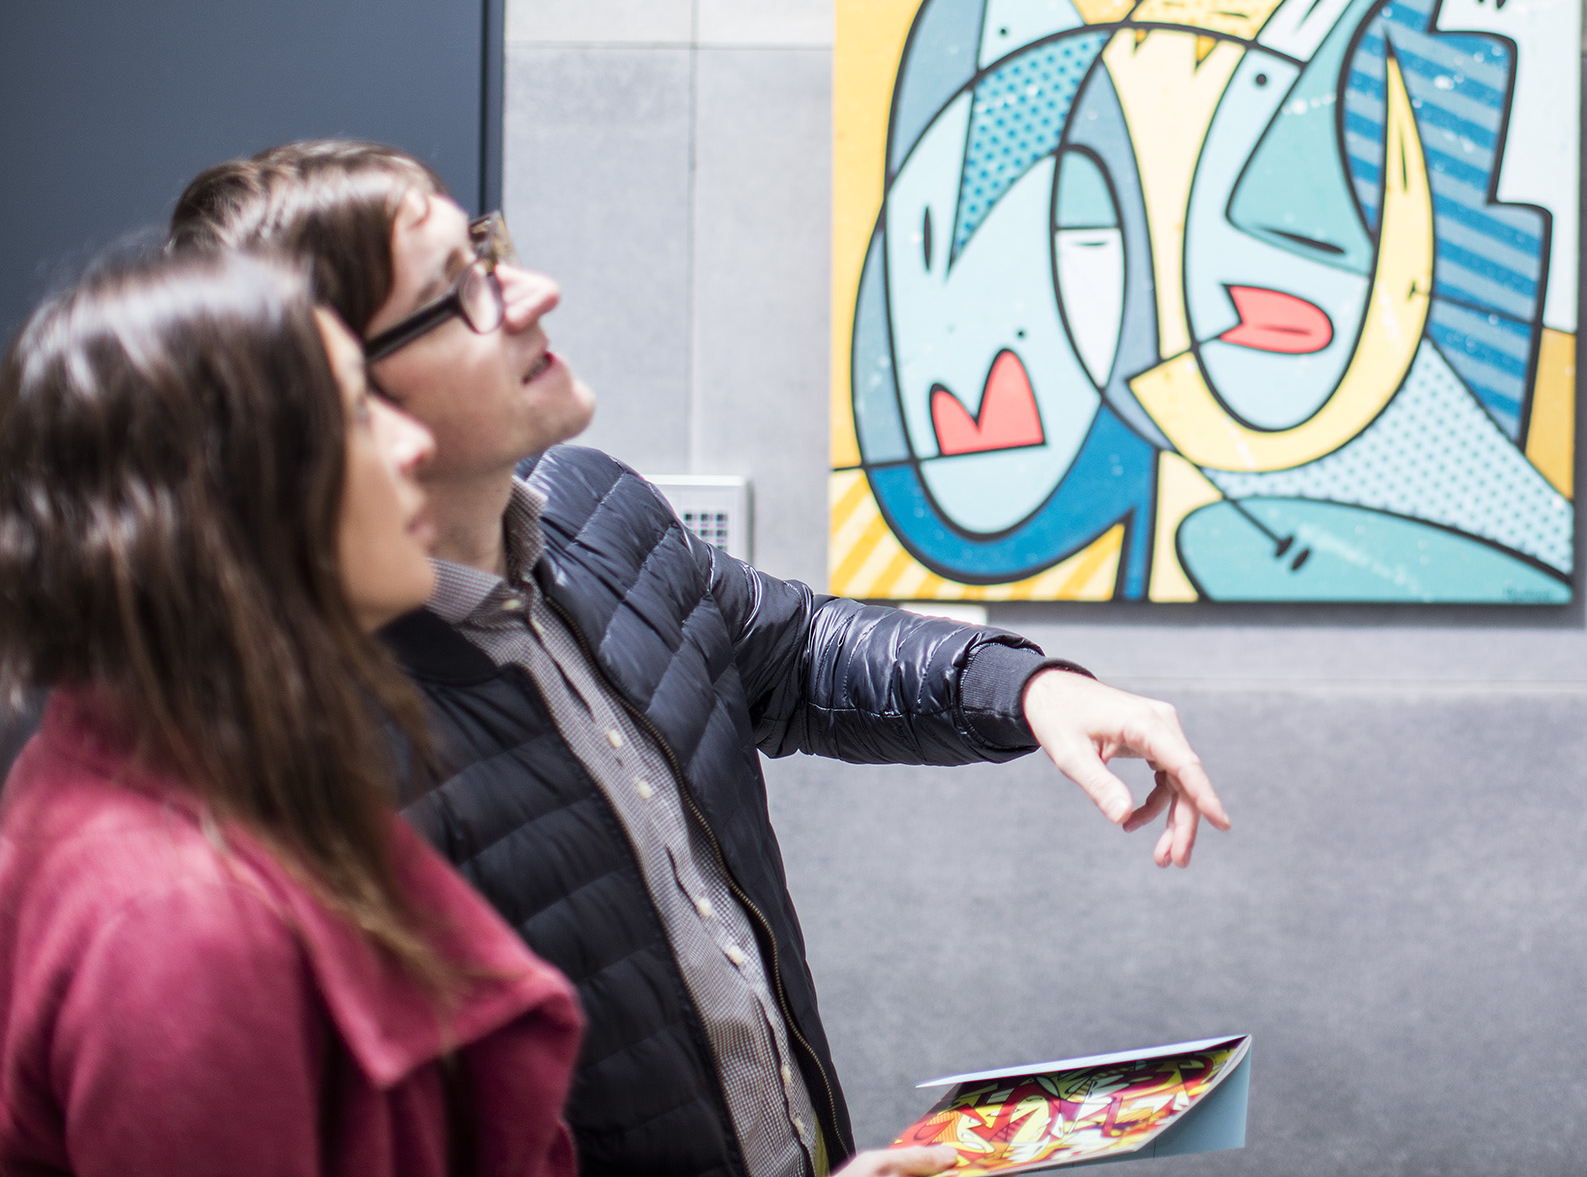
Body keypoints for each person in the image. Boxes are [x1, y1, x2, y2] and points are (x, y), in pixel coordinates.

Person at [169, 142, 1232, 1177]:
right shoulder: (313, 754)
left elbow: (797, 652)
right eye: (459, 291)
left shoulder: (595, 505)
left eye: (485, 250)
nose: (535, 291)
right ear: (337, 395)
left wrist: (1030, 688)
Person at [0, 249, 585, 1175]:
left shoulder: (186, 759)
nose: (413, 444)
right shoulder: (184, 929)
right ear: (227, 493)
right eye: (357, 414)